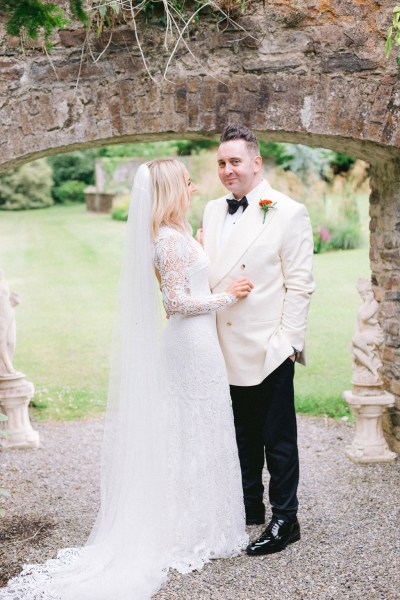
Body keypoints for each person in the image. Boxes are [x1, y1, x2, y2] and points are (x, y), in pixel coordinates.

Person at [0, 160, 251, 600]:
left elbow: (180, 290)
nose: (194, 188)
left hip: (199, 344)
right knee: (190, 430)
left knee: (198, 429)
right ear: (172, 189)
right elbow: (176, 301)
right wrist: (230, 296)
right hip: (190, 346)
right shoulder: (170, 242)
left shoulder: (177, 235)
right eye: (187, 183)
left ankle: (201, 520)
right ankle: (186, 527)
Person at [200, 124, 315, 556]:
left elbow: (301, 285)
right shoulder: (212, 210)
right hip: (220, 346)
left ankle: (286, 519)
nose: (228, 170)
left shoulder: (288, 211)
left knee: (277, 440)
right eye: (221, 163)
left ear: (256, 162)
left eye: (235, 162)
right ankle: (249, 507)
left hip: (268, 348)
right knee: (240, 436)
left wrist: (287, 342)